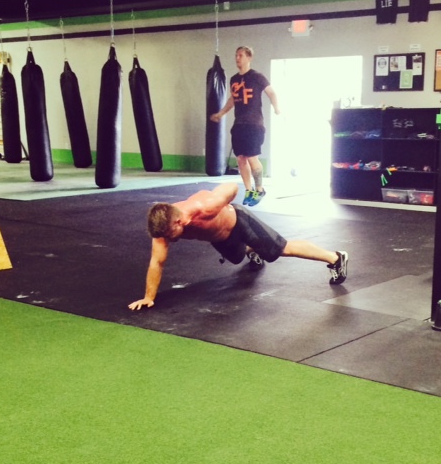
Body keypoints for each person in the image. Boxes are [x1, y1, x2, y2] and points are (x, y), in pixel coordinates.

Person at [128, 183, 348, 310]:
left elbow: (232, 187)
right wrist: (149, 297)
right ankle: (254, 250)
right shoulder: (164, 228)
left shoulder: (205, 206)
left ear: (178, 222)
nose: (168, 239)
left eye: (169, 235)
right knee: (237, 257)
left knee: (281, 249)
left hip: (240, 222)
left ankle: (336, 258)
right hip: (221, 238)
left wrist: (224, 202)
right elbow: (157, 261)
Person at [210, 46, 279, 207]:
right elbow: (233, 99)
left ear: (249, 58)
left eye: (240, 55)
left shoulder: (257, 77)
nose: (237, 58)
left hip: (254, 124)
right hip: (239, 124)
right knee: (241, 159)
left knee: (252, 157)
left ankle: (260, 189)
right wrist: (221, 114)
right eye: (236, 55)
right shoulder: (234, 79)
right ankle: (249, 191)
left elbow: (272, 93)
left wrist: (276, 108)